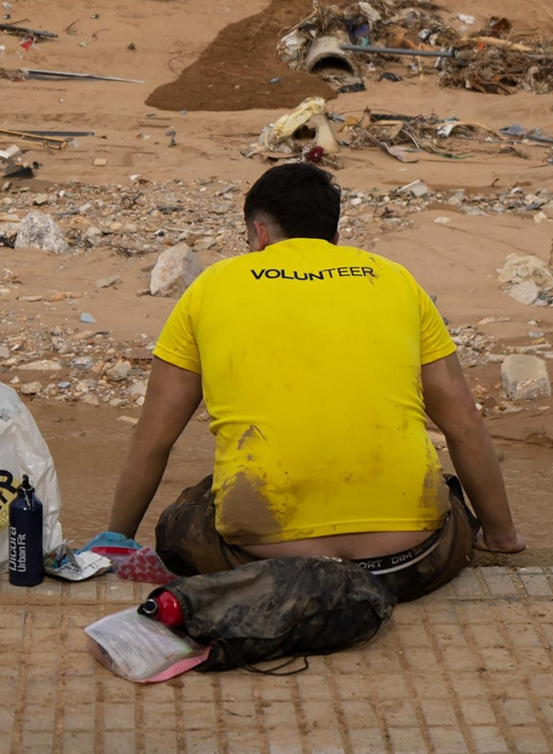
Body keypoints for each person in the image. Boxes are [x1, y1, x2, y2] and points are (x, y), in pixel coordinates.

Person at [101, 163, 525, 601]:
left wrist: (114, 540)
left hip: (266, 568)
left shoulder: (210, 288)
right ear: (334, 238)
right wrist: (501, 536)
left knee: (185, 516)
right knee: (446, 497)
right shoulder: (396, 280)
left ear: (259, 234)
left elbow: (153, 438)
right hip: (409, 562)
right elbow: (463, 425)